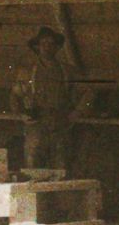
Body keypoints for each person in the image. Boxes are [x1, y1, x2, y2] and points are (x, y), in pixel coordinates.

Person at [13, 27, 75, 175]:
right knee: (32, 165)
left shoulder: (67, 70)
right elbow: (15, 96)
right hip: (36, 123)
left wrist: (76, 113)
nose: (47, 47)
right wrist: (21, 115)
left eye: (51, 43)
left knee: (61, 167)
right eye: (44, 43)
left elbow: (87, 92)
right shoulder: (27, 71)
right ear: (37, 46)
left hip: (59, 122)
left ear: (57, 47)